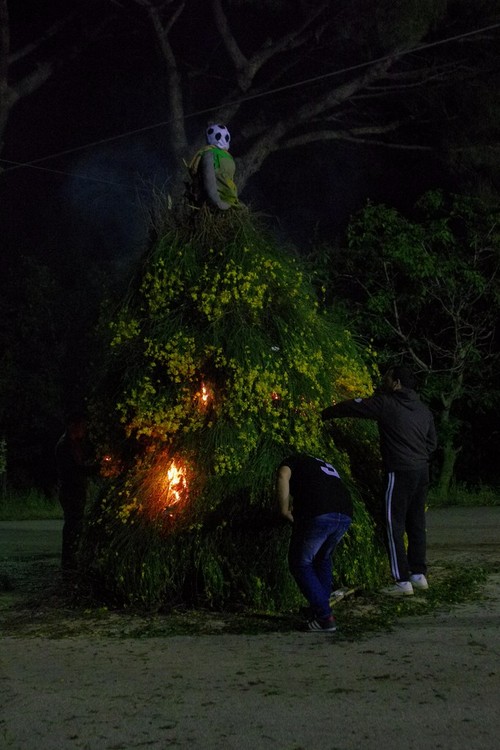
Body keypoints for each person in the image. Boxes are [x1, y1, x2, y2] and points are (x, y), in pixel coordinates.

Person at [321, 365, 437, 597]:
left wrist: (325, 413)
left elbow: (355, 406)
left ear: (397, 383)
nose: (384, 380)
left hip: (399, 471)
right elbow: (432, 444)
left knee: (393, 523)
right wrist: (416, 455)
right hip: (421, 471)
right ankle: (418, 574)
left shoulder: (387, 403)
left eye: (388, 377)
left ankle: (401, 581)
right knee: (416, 523)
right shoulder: (423, 410)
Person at [276, 453, 353, 632]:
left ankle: (325, 617)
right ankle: (319, 609)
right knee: (322, 558)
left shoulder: (292, 461)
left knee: (300, 563)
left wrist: (283, 509)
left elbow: (283, 476)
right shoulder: (320, 464)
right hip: (345, 513)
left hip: (320, 512)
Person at [55, 411, 93, 571]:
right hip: (70, 490)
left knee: (75, 523)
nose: (83, 429)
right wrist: (94, 469)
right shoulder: (64, 446)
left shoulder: (74, 444)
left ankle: (72, 558)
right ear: (72, 426)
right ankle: (69, 560)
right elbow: (74, 469)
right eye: (81, 426)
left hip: (76, 488)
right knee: (73, 523)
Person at [187, 123, 240, 210]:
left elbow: (209, 179)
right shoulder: (229, 158)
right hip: (230, 200)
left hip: (213, 204)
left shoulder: (209, 153)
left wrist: (217, 202)